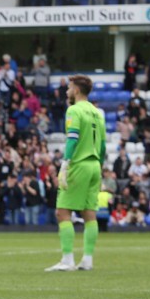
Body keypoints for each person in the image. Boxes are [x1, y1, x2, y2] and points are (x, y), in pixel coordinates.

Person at [46, 75, 104, 273]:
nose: (67, 91)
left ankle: (67, 260)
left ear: (76, 90)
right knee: (89, 214)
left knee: (62, 212)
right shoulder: (97, 113)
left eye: (69, 88)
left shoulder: (74, 110)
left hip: (79, 164)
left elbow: (72, 138)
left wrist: (65, 163)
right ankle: (87, 260)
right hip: (95, 165)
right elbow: (103, 145)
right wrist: (99, 166)